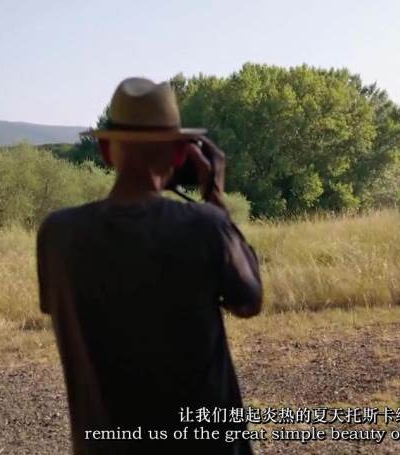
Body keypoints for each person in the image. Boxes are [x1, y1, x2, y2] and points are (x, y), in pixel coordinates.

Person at [36, 77, 262, 454]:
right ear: (178, 155)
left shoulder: (57, 235)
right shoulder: (205, 226)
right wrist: (214, 198)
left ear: (107, 151)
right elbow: (249, 300)